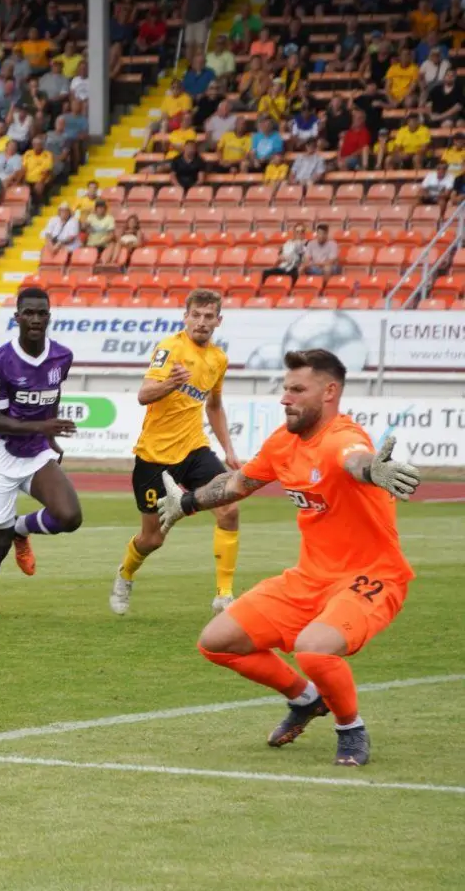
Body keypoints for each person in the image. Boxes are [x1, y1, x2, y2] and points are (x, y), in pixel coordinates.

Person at [158, 349, 422, 767]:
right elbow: (237, 485)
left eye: (298, 390)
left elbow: (355, 460)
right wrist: (186, 503)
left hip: (371, 576)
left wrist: (375, 471)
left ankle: (350, 728)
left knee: (313, 649)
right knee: (216, 643)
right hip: (309, 578)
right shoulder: (283, 443)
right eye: (285, 389)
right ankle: (306, 699)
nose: (285, 398)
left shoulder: (342, 438)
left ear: (330, 392)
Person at [113, 290, 241, 616]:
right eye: (196, 315)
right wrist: (170, 383)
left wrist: (228, 448)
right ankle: (125, 573)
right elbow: (144, 395)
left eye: (208, 316)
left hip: (195, 449)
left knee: (229, 509)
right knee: (152, 539)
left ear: (218, 321)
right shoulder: (170, 348)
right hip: (155, 457)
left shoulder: (218, 359)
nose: (201, 322)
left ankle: (224, 595)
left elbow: (213, 405)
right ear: (186, 316)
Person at [0, 287, 83, 620]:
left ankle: (23, 528)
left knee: (69, 516)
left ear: (49, 316)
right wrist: (43, 429)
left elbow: (52, 393)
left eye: (41, 313)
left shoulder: (62, 356)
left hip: (35, 453)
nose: (35, 319)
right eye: (28, 313)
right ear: (17, 317)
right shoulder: (0, 361)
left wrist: (50, 437)